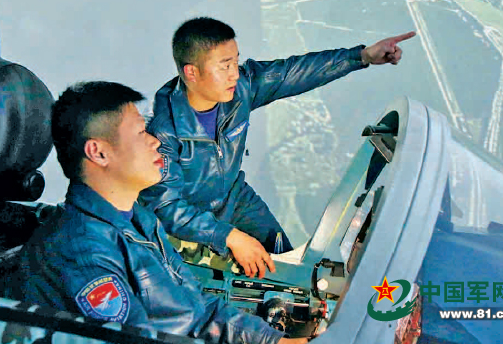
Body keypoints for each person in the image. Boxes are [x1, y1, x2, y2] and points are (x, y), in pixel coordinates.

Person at [20, 81, 307, 344]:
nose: (155, 141)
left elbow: (199, 308)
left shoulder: (140, 220)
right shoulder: (83, 252)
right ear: (99, 152)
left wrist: (274, 341)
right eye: (140, 132)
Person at [139, 17, 416, 278]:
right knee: (221, 286)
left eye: (235, 62)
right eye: (224, 66)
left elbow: (293, 72)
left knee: (287, 266)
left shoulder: (241, 88)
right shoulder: (160, 131)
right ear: (192, 72)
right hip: (188, 221)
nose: (234, 74)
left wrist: (362, 56)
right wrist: (229, 236)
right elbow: (167, 206)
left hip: (236, 199)